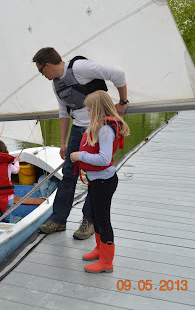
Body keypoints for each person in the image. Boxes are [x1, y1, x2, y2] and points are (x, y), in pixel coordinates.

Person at [32, 47, 129, 239]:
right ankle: (58, 219)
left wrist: (123, 102)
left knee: (95, 175)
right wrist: (63, 143)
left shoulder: (80, 68)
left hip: (99, 127)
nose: (41, 74)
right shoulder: (56, 84)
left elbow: (118, 74)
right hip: (78, 130)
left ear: (48, 65)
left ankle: (89, 221)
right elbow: (63, 112)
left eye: (40, 70)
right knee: (69, 174)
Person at [70, 91, 129, 273]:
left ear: (97, 110)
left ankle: (107, 262)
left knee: (103, 221)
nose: (87, 113)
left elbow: (104, 159)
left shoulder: (105, 130)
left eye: (89, 110)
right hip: (96, 181)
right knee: (95, 217)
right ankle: (99, 250)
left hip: (104, 181)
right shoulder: (99, 127)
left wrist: (80, 155)